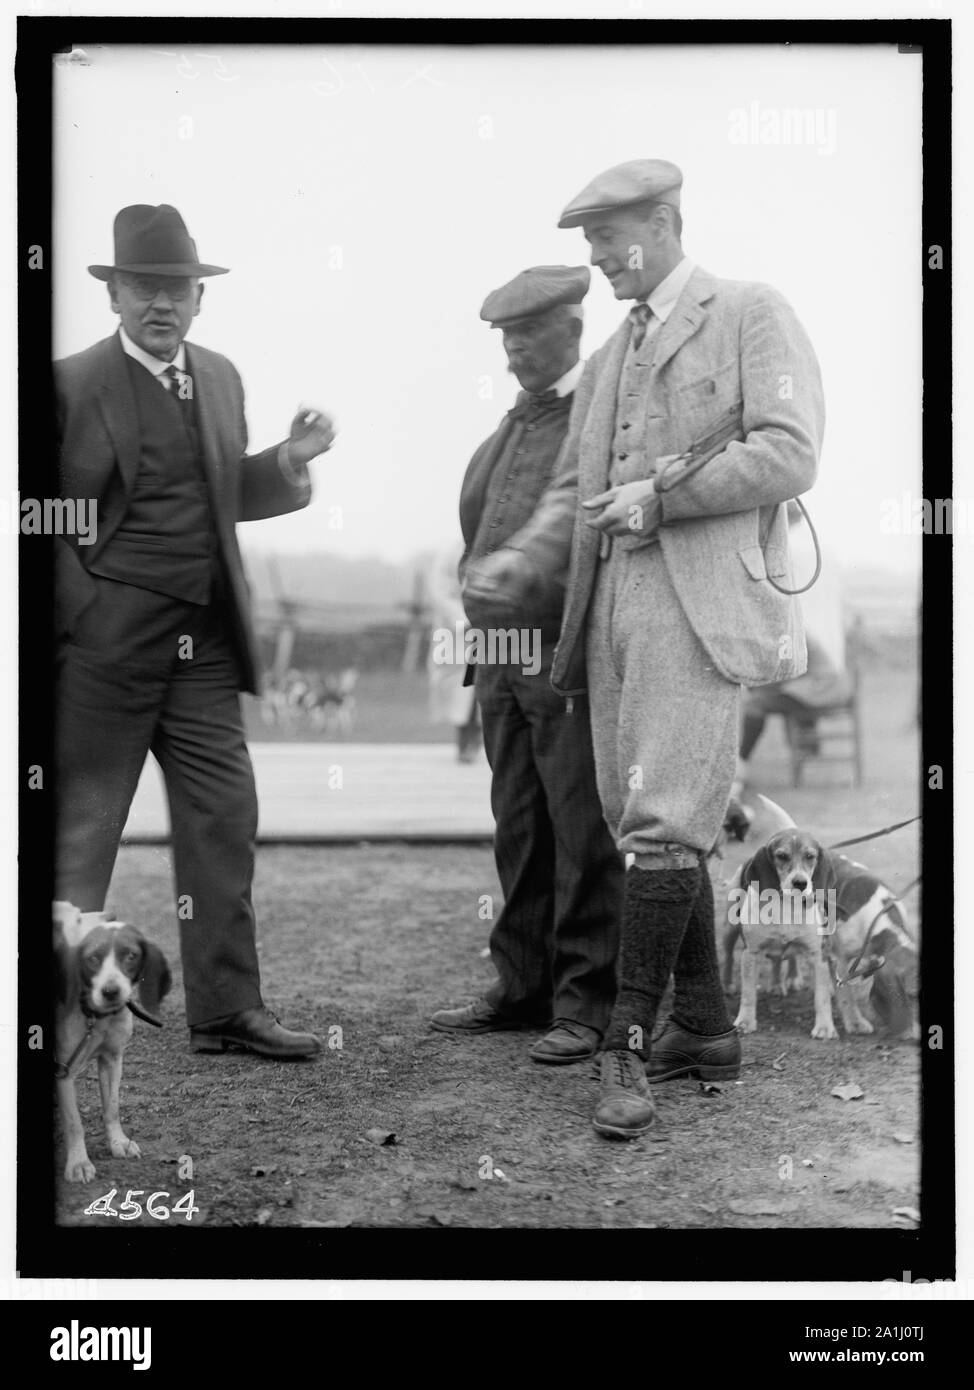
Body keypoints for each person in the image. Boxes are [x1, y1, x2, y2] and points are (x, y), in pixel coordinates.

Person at [467, 162, 824, 1135]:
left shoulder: (749, 309)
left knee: (662, 820)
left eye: (607, 240)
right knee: (643, 819)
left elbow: (790, 450)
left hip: (698, 601)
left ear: (664, 223)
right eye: (586, 243)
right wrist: (521, 560)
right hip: (609, 604)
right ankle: (703, 1029)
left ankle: (623, 1044)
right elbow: (570, 492)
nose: (595, 259)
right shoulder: (615, 350)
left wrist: (664, 495)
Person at [54, 204, 336, 1059]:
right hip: (107, 648)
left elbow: (219, 495)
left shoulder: (221, 378)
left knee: (223, 817)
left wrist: (287, 464)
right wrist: (81, 618)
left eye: (176, 289)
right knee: (80, 834)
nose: (161, 304)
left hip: (204, 649)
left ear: (198, 299)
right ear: (114, 295)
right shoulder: (66, 383)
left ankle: (225, 1013)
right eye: (144, 287)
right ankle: (49, 1015)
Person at [431, 266, 624, 1065]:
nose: (512, 351)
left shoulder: (603, 418)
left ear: (572, 331)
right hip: (500, 662)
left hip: (568, 657)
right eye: (505, 338)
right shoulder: (509, 425)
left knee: (583, 829)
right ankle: (522, 984)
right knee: (518, 821)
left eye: (527, 335)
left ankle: (587, 1002)